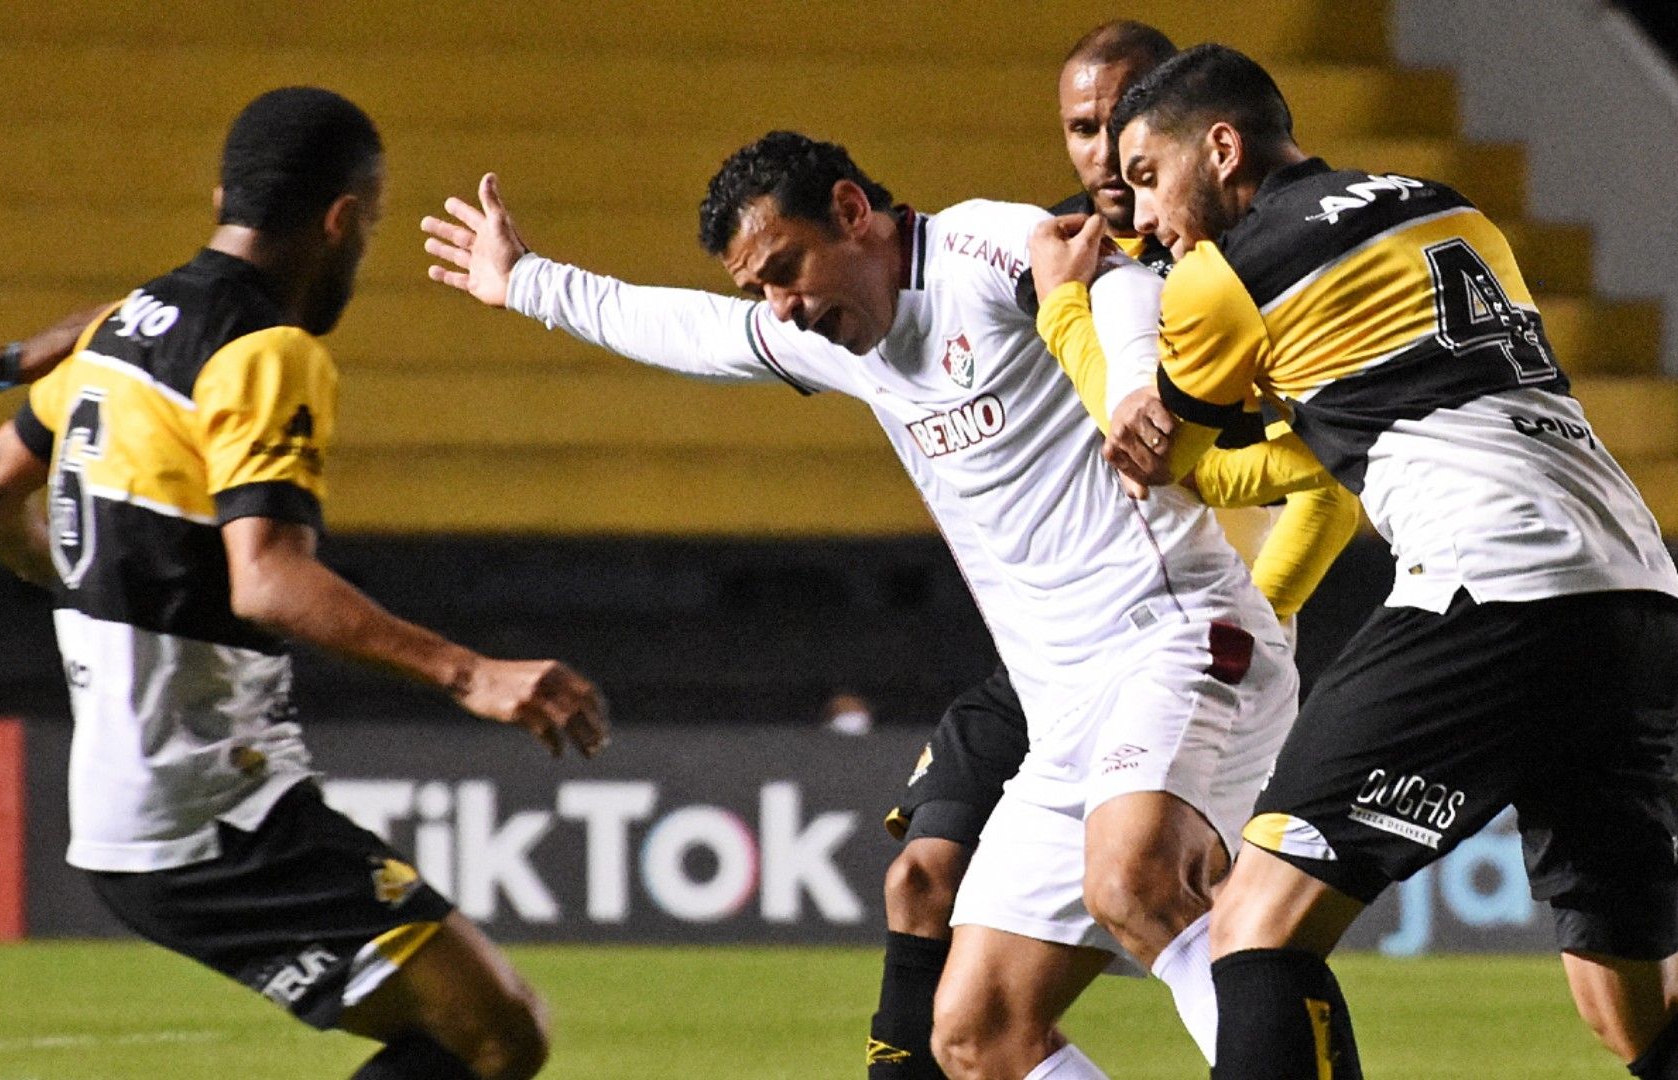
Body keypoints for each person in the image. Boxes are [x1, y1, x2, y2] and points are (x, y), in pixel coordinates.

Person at [423, 126, 1291, 1079]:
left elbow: (1112, 279)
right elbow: (693, 332)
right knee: (974, 1034)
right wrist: (529, 283)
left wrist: (1132, 389)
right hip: (1062, 712)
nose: (782, 308)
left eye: (787, 268)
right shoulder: (841, 339)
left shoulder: (975, 250)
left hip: (1173, 640)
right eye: (761, 287)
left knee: (1134, 879)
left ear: (849, 212)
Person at [1063, 42, 1678, 1079]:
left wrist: (1068, 314)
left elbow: (1167, 458)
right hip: (1632, 588)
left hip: (1495, 583)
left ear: (1220, 148)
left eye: (1148, 179)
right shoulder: (1446, 209)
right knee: (1637, 1004)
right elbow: (1397, 389)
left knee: (1255, 924)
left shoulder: (1226, 274)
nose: (1145, 216)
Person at [0, 87, 608, 1080]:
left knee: (485, 1031)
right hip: (208, 808)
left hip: (133, 798)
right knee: (497, 1037)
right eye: (366, 225)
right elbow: (269, 582)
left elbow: (0, 488)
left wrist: (71, 572)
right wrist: (468, 673)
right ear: (341, 218)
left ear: (222, 197)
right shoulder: (267, 351)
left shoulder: (116, 330)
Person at [869, 21, 1359, 1080]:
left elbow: (1317, 478)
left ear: (1189, 130)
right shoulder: (1044, 261)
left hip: (1189, 633)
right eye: (1084, 130)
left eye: (1129, 130)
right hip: (1054, 655)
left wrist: (1261, 599)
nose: (1102, 153)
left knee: (1154, 888)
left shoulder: (1228, 277)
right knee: (964, 996)